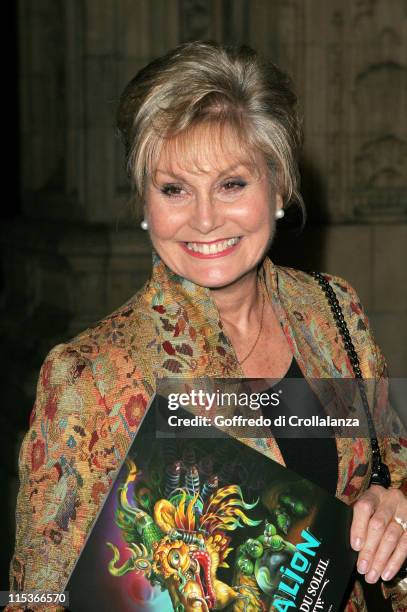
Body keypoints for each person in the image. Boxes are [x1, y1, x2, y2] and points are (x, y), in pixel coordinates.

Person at [7, 41, 407, 612]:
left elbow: (391, 464)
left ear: (278, 186)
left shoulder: (332, 311)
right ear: (145, 202)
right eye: (174, 189)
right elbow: (32, 595)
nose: (203, 218)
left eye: (232, 184)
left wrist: (393, 510)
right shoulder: (91, 376)